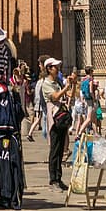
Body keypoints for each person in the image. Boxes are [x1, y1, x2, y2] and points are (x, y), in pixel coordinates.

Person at [42, 58, 71, 191]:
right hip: (54, 119)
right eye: (55, 67)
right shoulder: (46, 84)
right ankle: (53, 179)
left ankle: (58, 178)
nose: (57, 69)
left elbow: (67, 94)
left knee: (60, 149)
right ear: (49, 69)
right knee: (54, 149)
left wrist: (71, 84)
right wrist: (65, 88)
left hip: (61, 117)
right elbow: (55, 97)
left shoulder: (57, 82)